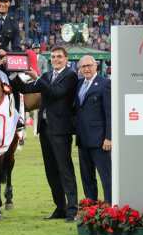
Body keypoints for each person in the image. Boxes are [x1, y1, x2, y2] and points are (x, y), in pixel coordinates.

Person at [12, 46, 79, 221]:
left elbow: (56, 92)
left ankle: (72, 209)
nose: (55, 59)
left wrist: (38, 78)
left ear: (66, 59)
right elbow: (26, 89)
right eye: (53, 57)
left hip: (61, 130)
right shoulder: (48, 76)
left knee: (65, 169)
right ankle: (60, 207)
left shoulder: (70, 76)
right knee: (51, 171)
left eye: (59, 57)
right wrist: (12, 73)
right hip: (45, 128)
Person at [75, 55, 112, 204]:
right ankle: (91, 207)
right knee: (87, 177)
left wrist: (109, 137)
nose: (87, 69)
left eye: (89, 65)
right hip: (83, 139)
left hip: (100, 140)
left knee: (106, 176)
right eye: (83, 66)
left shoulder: (105, 84)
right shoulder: (78, 85)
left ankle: (110, 206)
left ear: (96, 66)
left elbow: (110, 113)